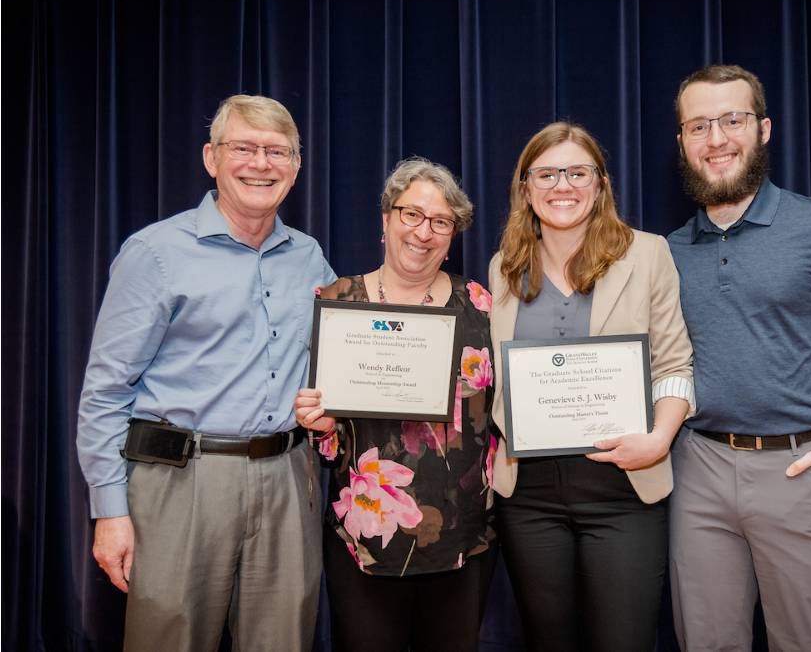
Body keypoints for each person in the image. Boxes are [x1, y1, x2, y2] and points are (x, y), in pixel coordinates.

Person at [76, 95, 335, 651]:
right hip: (180, 484)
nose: (260, 163)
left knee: (283, 641)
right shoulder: (155, 253)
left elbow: (340, 359)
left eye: (277, 151)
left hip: (289, 479)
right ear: (210, 158)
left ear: (295, 167)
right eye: (242, 147)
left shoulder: (310, 258)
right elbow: (103, 394)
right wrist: (110, 512)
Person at [666, 64, 811, 651]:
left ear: (764, 128)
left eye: (733, 120)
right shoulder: (665, 252)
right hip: (698, 473)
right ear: (682, 142)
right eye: (699, 126)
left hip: (802, 469)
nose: (717, 139)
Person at [487, 122, 695, 651]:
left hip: (625, 486)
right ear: (526, 186)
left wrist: (660, 438)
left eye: (578, 173)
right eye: (548, 173)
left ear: (600, 184)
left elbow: (675, 364)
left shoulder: (647, 254)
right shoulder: (503, 269)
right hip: (527, 493)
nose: (564, 186)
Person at [294, 157, 496, 652]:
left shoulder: (479, 303)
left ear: (452, 235)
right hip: (367, 536)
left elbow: (500, 413)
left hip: (462, 534)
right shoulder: (339, 298)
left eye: (441, 221)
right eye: (411, 214)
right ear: (385, 218)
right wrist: (318, 423)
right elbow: (329, 435)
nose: (423, 232)